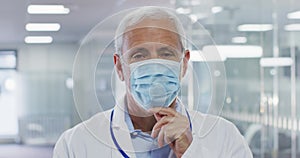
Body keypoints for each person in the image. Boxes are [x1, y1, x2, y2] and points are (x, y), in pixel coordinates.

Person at [53, 6, 253, 158]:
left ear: (184, 64)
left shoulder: (225, 137)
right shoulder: (76, 144)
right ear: (120, 67)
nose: (155, 67)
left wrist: (192, 153)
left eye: (166, 54)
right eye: (139, 55)